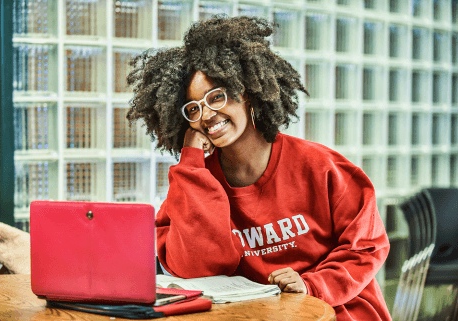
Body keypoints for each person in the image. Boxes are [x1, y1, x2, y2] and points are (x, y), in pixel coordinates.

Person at [126, 15, 392, 321]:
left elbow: (366, 246)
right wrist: (191, 159)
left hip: (334, 312)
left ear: (248, 92)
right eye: (193, 108)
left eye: (217, 97)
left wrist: (311, 285)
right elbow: (195, 270)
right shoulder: (194, 179)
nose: (208, 115)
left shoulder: (321, 167)